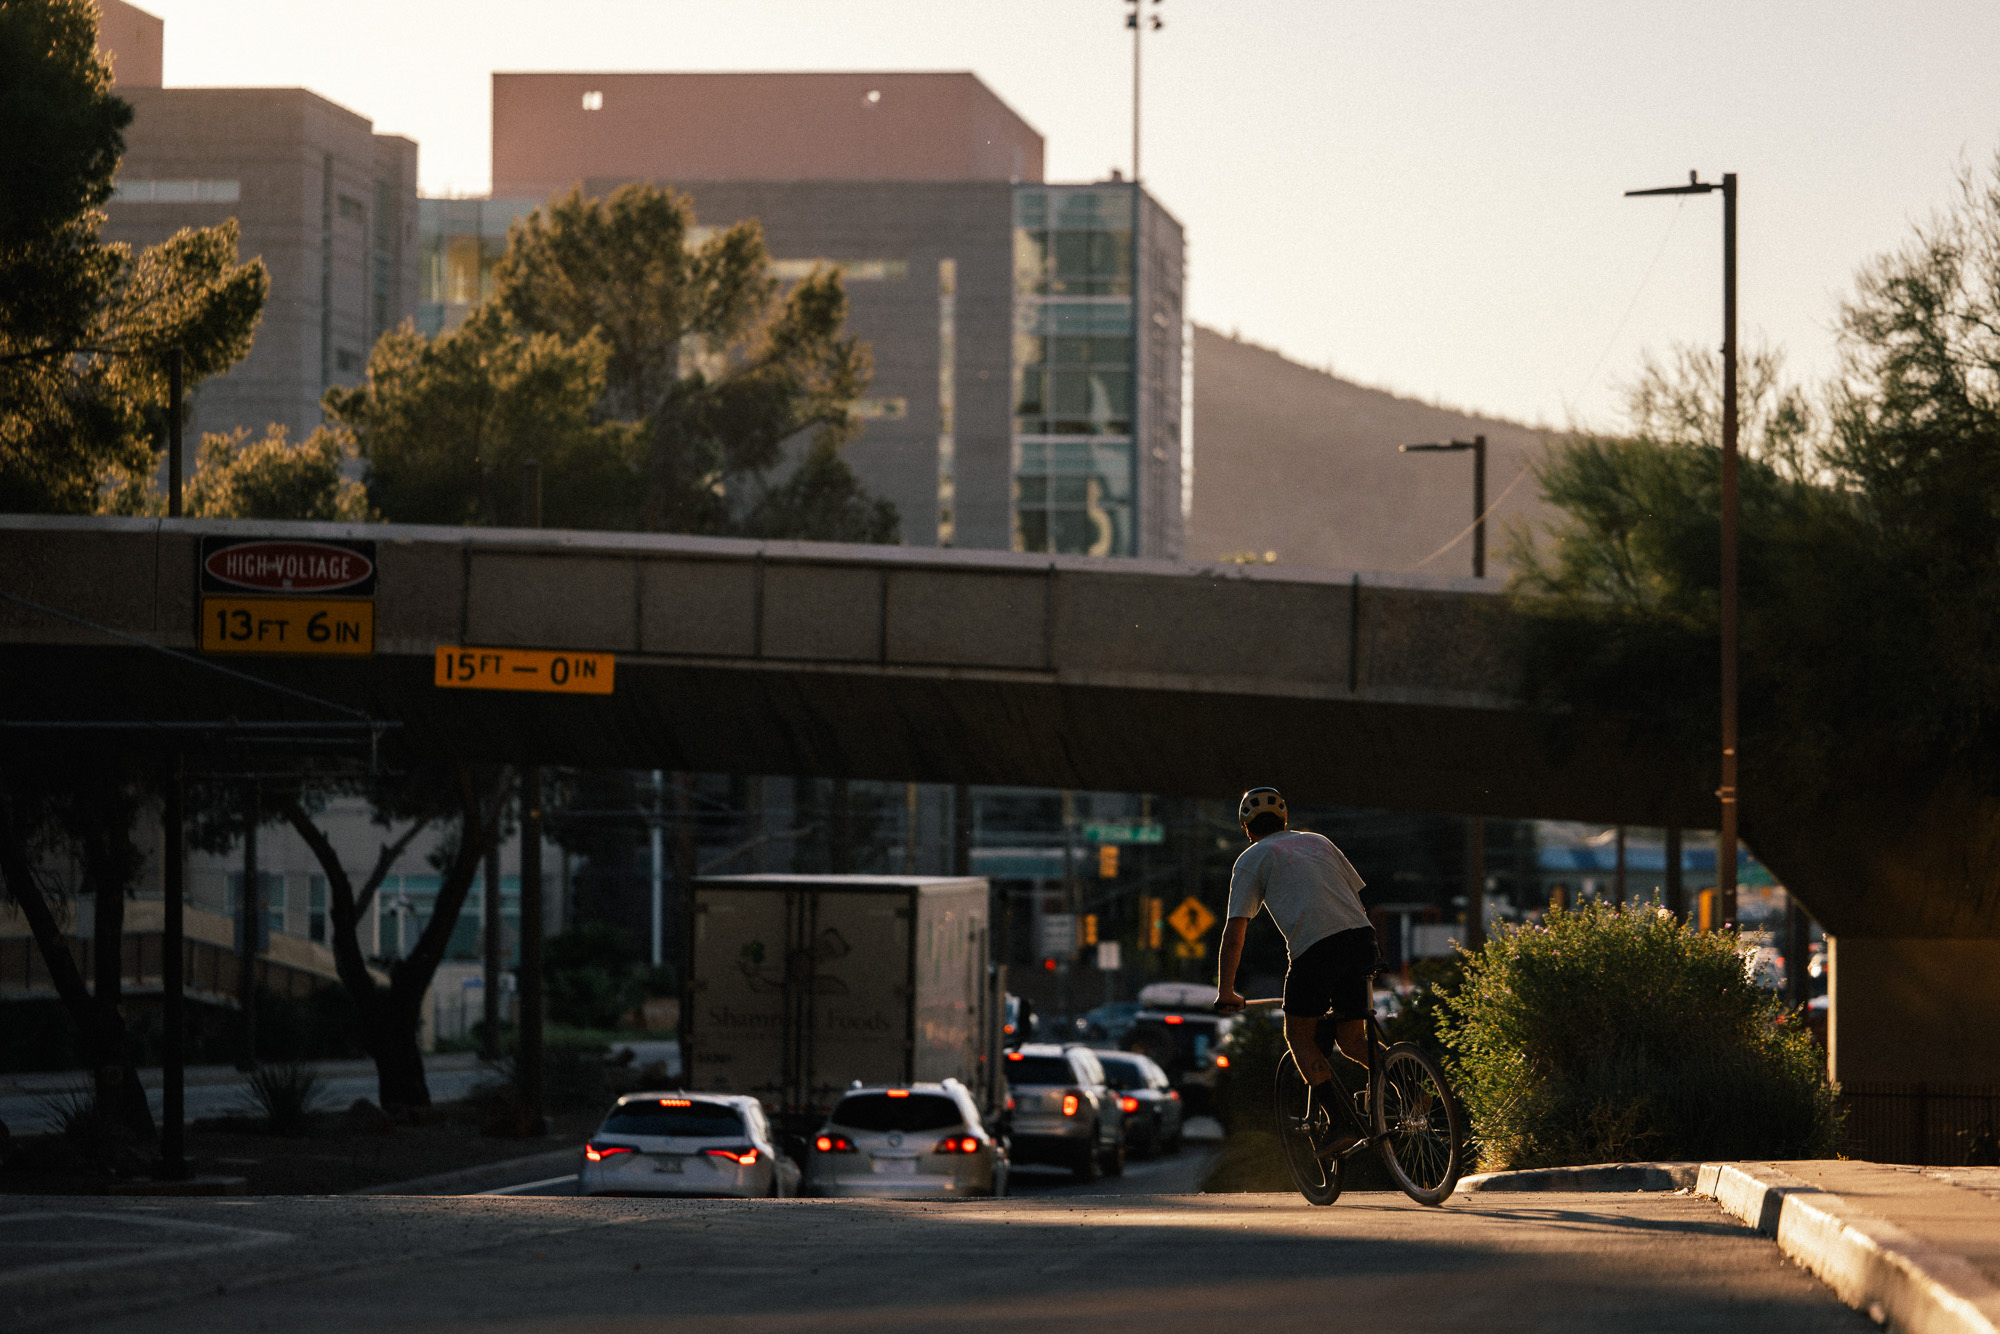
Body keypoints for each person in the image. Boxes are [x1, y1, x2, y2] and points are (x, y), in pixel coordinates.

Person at [1214, 787, 1378, 1149]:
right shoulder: (1319, 842)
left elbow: (1235, 932)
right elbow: (1352, 895)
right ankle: (1413, 1088)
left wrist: (1227, 992)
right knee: (1352, 1040)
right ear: (1285, 821)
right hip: (1363, 939)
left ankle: (1340, 1125)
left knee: (1299, 1037)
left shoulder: (1252, 857)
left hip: (1317, 949)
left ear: (1246, 828)